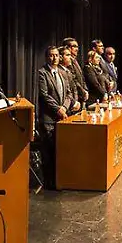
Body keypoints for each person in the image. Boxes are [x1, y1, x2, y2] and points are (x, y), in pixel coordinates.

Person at [37, 46, 73, 185]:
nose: (54, 58)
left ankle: (60, 180)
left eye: (57, 55)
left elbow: (69, 93)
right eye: (51, 55)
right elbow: (44, 95)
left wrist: (64, 107)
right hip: (48, 119)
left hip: (62, 116)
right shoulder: (42, 73)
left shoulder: (63, 73)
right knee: (49, 152)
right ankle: (49, 183)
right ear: (47, 57)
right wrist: (58, 109)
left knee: (60, 151)